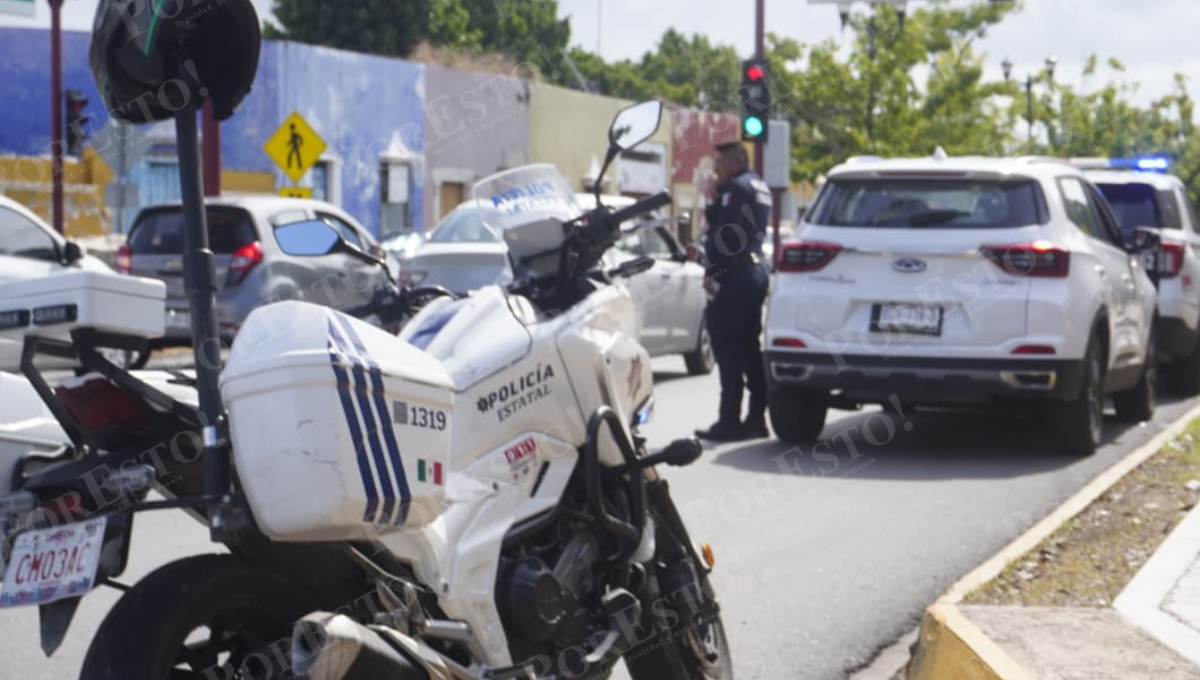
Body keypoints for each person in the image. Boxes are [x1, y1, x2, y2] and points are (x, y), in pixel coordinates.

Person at [695, 140, 772, 443]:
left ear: (738, 160)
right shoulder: (759, 186)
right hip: (752, 272)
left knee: (728, 351)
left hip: (734, 275)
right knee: (750, 350)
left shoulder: (736, 188)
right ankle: (755, 419)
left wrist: (713, 271)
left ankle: (729, 421)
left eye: (721, 163)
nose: (716, 169)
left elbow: (724, 238)